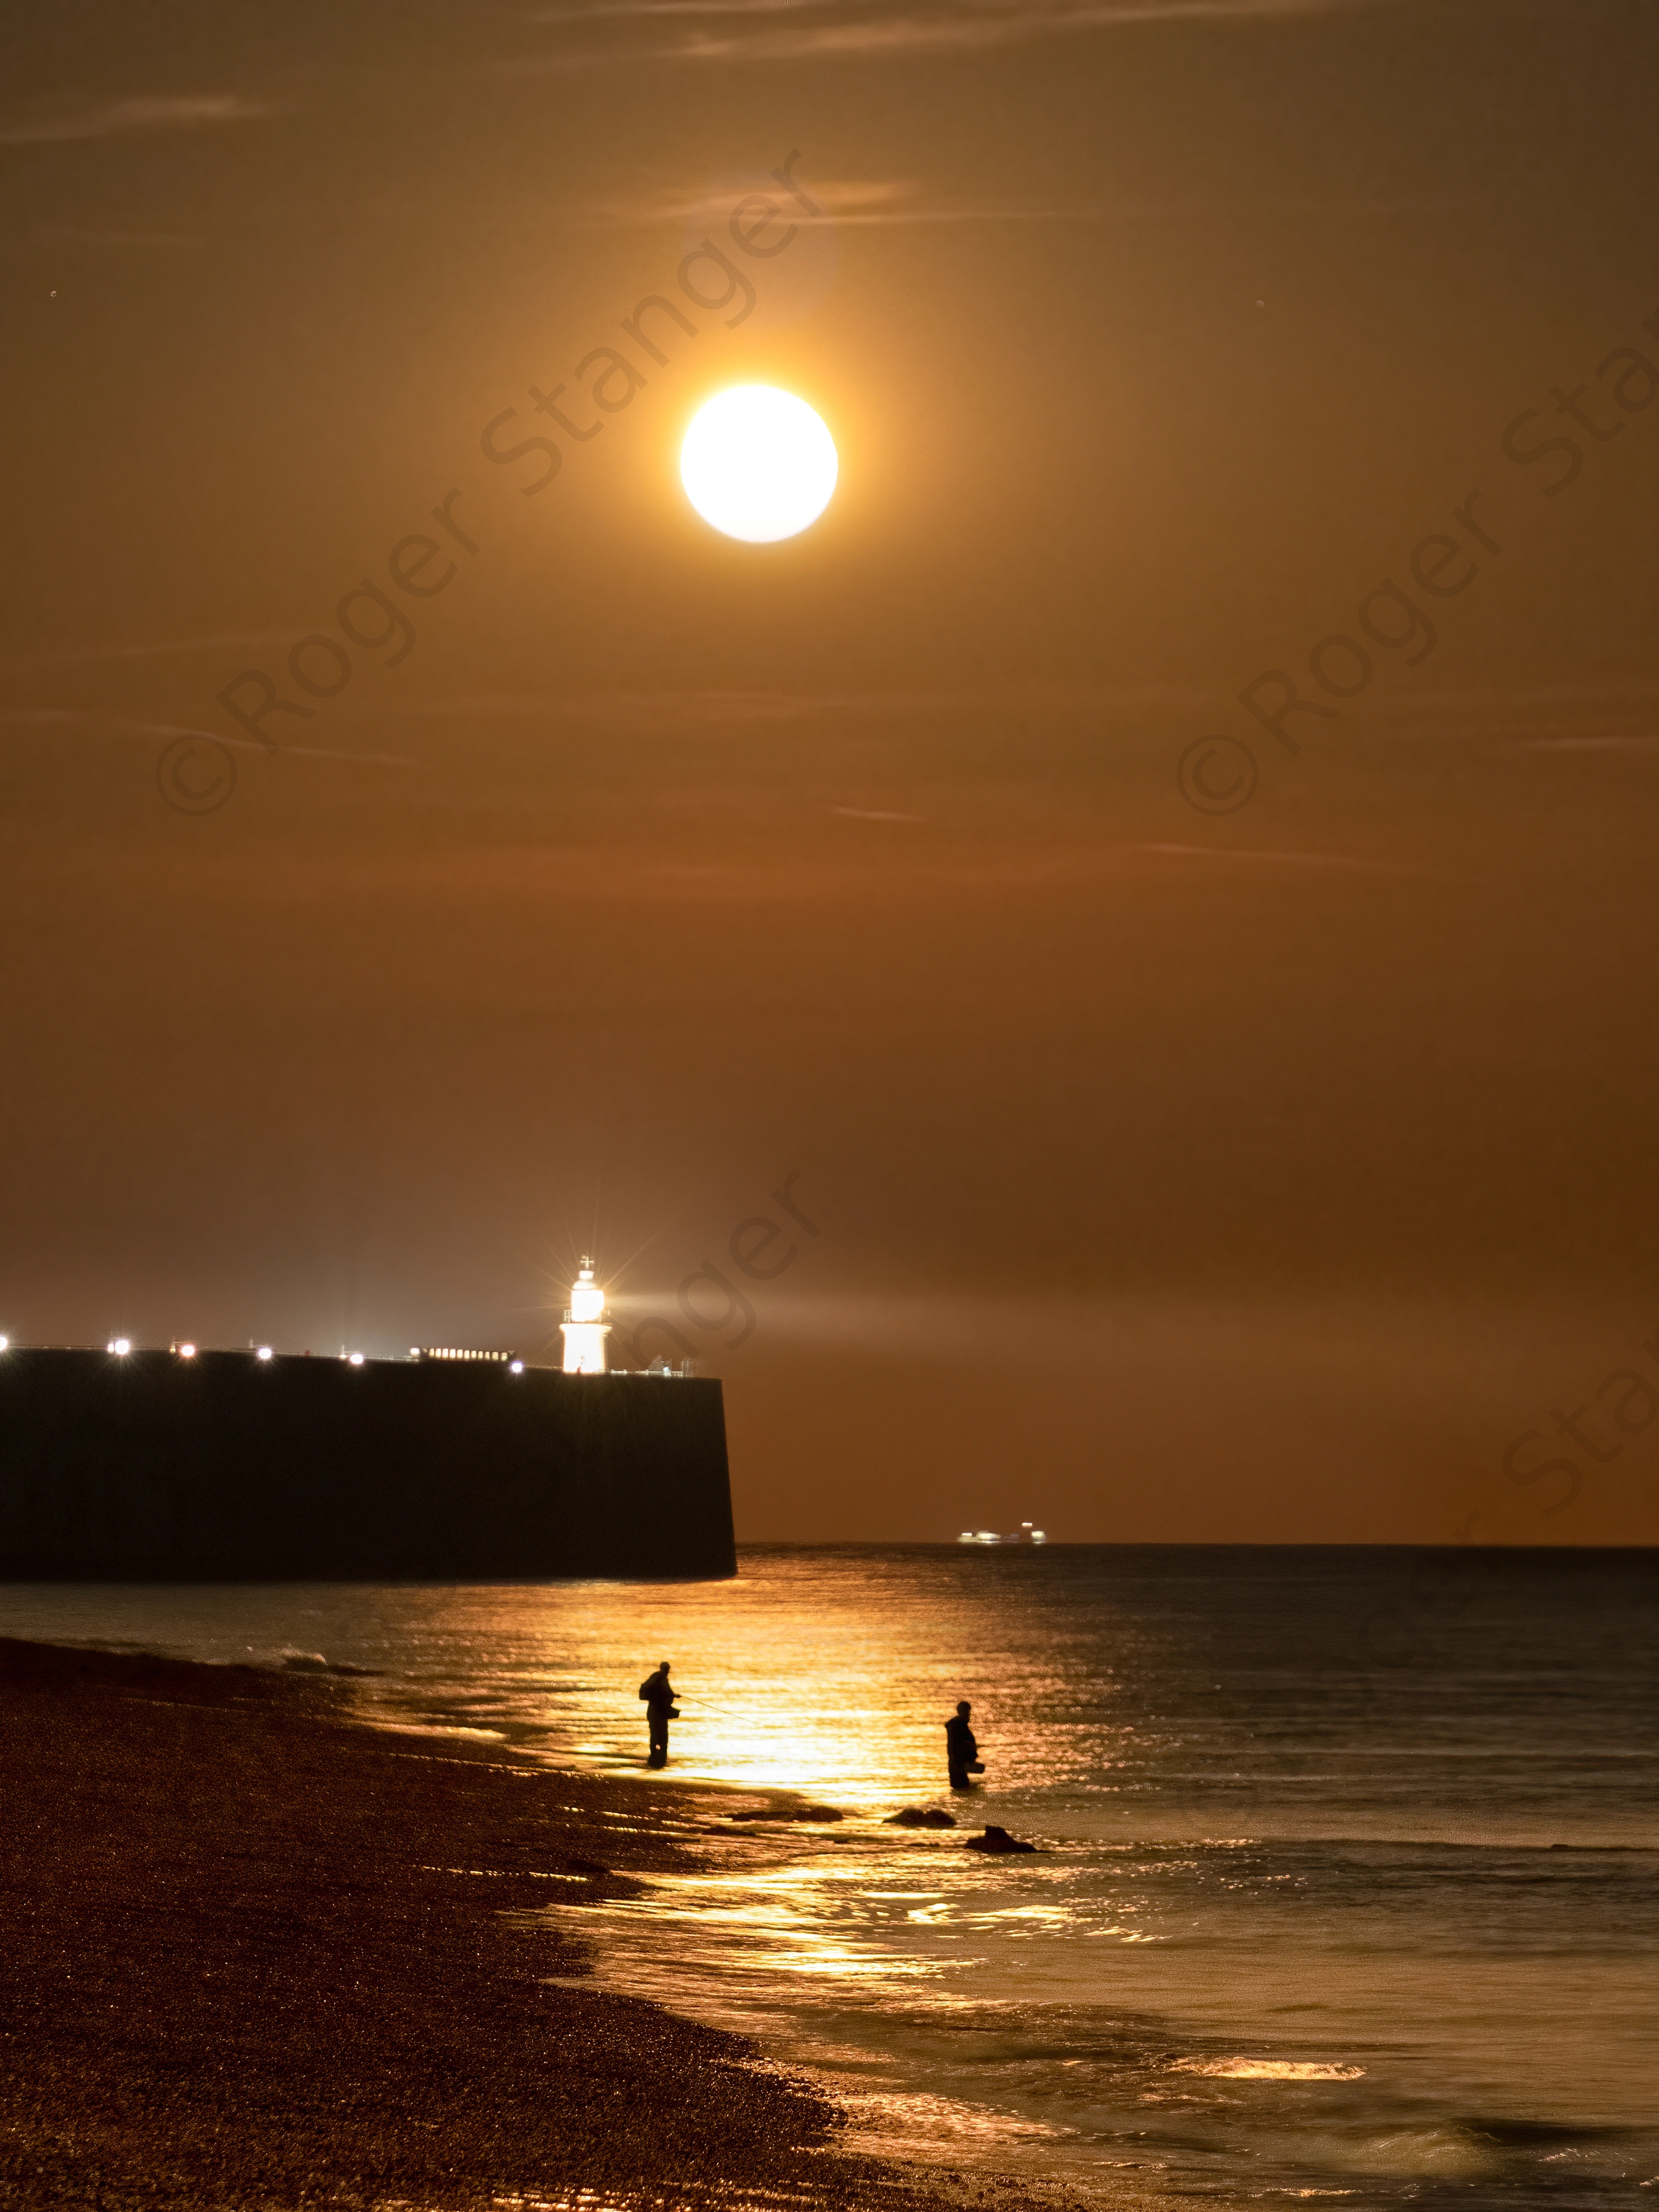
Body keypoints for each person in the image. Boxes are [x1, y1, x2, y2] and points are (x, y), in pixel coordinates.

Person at [639, 1659, 679, 1768]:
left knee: (654, 1736)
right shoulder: (662, 1680)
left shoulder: (655, 1678)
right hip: (659, 1713)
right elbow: (667, 1695)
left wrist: (672, 1696)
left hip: (652, 1712)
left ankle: (654, 1758)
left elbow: (664, 1694)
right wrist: (673, 1696)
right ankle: (660, 1761)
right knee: (662, 1738)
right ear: (666, 1669)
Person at [946, 1699, 984, 1791]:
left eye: (968, 1712)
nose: (968, 1715)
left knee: (966, 1790)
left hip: (959, 1764)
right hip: (958, 1765)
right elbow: (954, 1747)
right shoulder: (956, 1726)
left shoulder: (959, 1725)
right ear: (960, 1712)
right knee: (963, 1789)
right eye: (966, 1713)